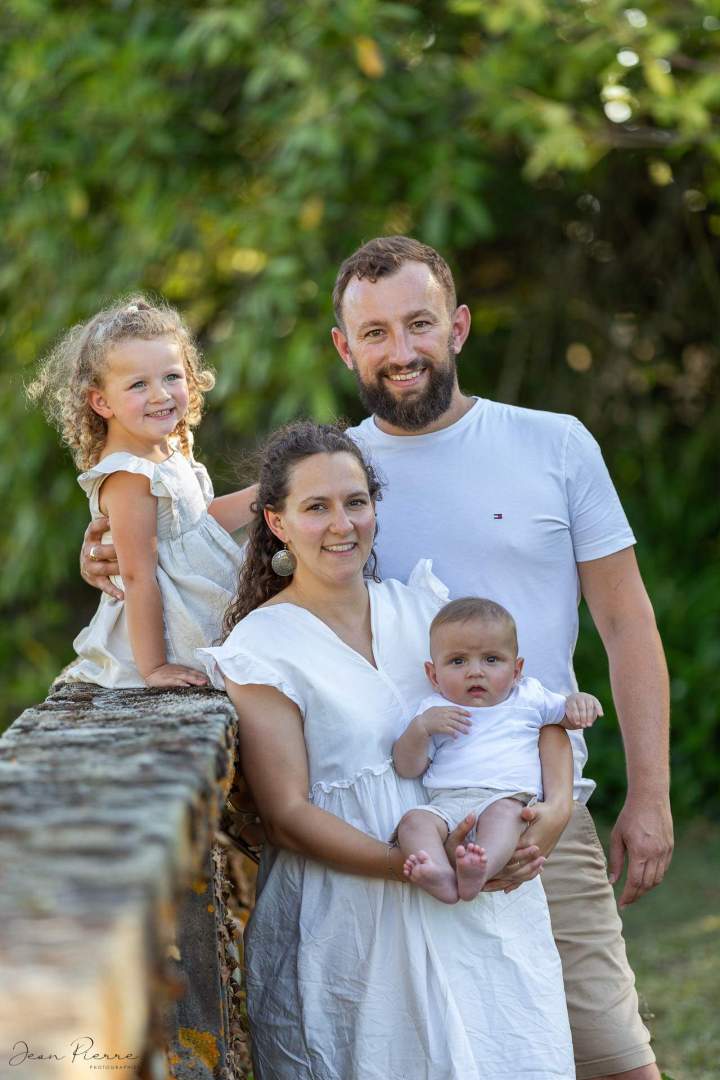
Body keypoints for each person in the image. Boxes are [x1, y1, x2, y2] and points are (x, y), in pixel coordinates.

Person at [80, 236, 673, 1079]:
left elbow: (627, 622)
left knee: (610, 1058)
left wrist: (647, 795)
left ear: (458, 327)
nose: (401, 352)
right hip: (409, 825)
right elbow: (173, 537)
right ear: (344, 346)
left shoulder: (556, 444)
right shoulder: (338, 470)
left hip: (539, 803)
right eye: (376, 334)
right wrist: (100, 548)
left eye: (419, 325)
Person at [197, 420, 576, 1080]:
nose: (342, 524)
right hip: (348, 914)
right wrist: (406, 865)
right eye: (316, 507)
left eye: (355, 501)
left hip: (473, 897)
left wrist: (552, 812)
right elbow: (286, 813)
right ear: (277, 523)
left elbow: (526, 705)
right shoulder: (262, 648)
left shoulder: (425, 608)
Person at [29, 296, 254, 688]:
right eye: (138, 385)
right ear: (101, 401)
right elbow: (137, 576)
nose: (160, 395)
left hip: (195, 607)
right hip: (168, 635)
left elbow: (198, 524)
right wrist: (154, 668)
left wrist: (264, 495)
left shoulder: (163, 448)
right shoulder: (129, 475)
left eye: (172, 377)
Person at [394, 596, 603, 904]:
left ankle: (481, 869)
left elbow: (568, 717)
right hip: (447, 802)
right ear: (433, 675)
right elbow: (407, 767)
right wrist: (420, 729)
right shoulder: (434, 709)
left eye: (491, 659)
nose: (475, 671)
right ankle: (439, 873)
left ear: (517, 670)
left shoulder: (528, 697)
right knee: (413, 822)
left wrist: (580, 702)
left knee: (505, 817)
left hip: (506, 797)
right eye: (457, 661)